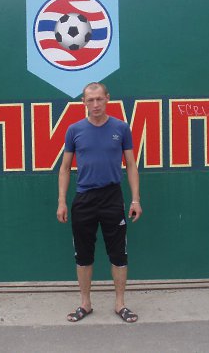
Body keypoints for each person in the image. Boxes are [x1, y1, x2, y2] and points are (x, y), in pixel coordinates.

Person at [57, 82, 142, 323]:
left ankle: (120, 304)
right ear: (83, 102)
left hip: (112, 197)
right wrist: (61, 201)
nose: (95, 104)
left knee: (119, 254)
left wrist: (135, 199)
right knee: (83, 255)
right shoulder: (74, 130)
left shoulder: (121, 128)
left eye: (99, 99)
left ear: (107, 99)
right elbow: (64, 168)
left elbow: (131, 165)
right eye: (90, 100)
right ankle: (85, 303)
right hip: (84, 198)